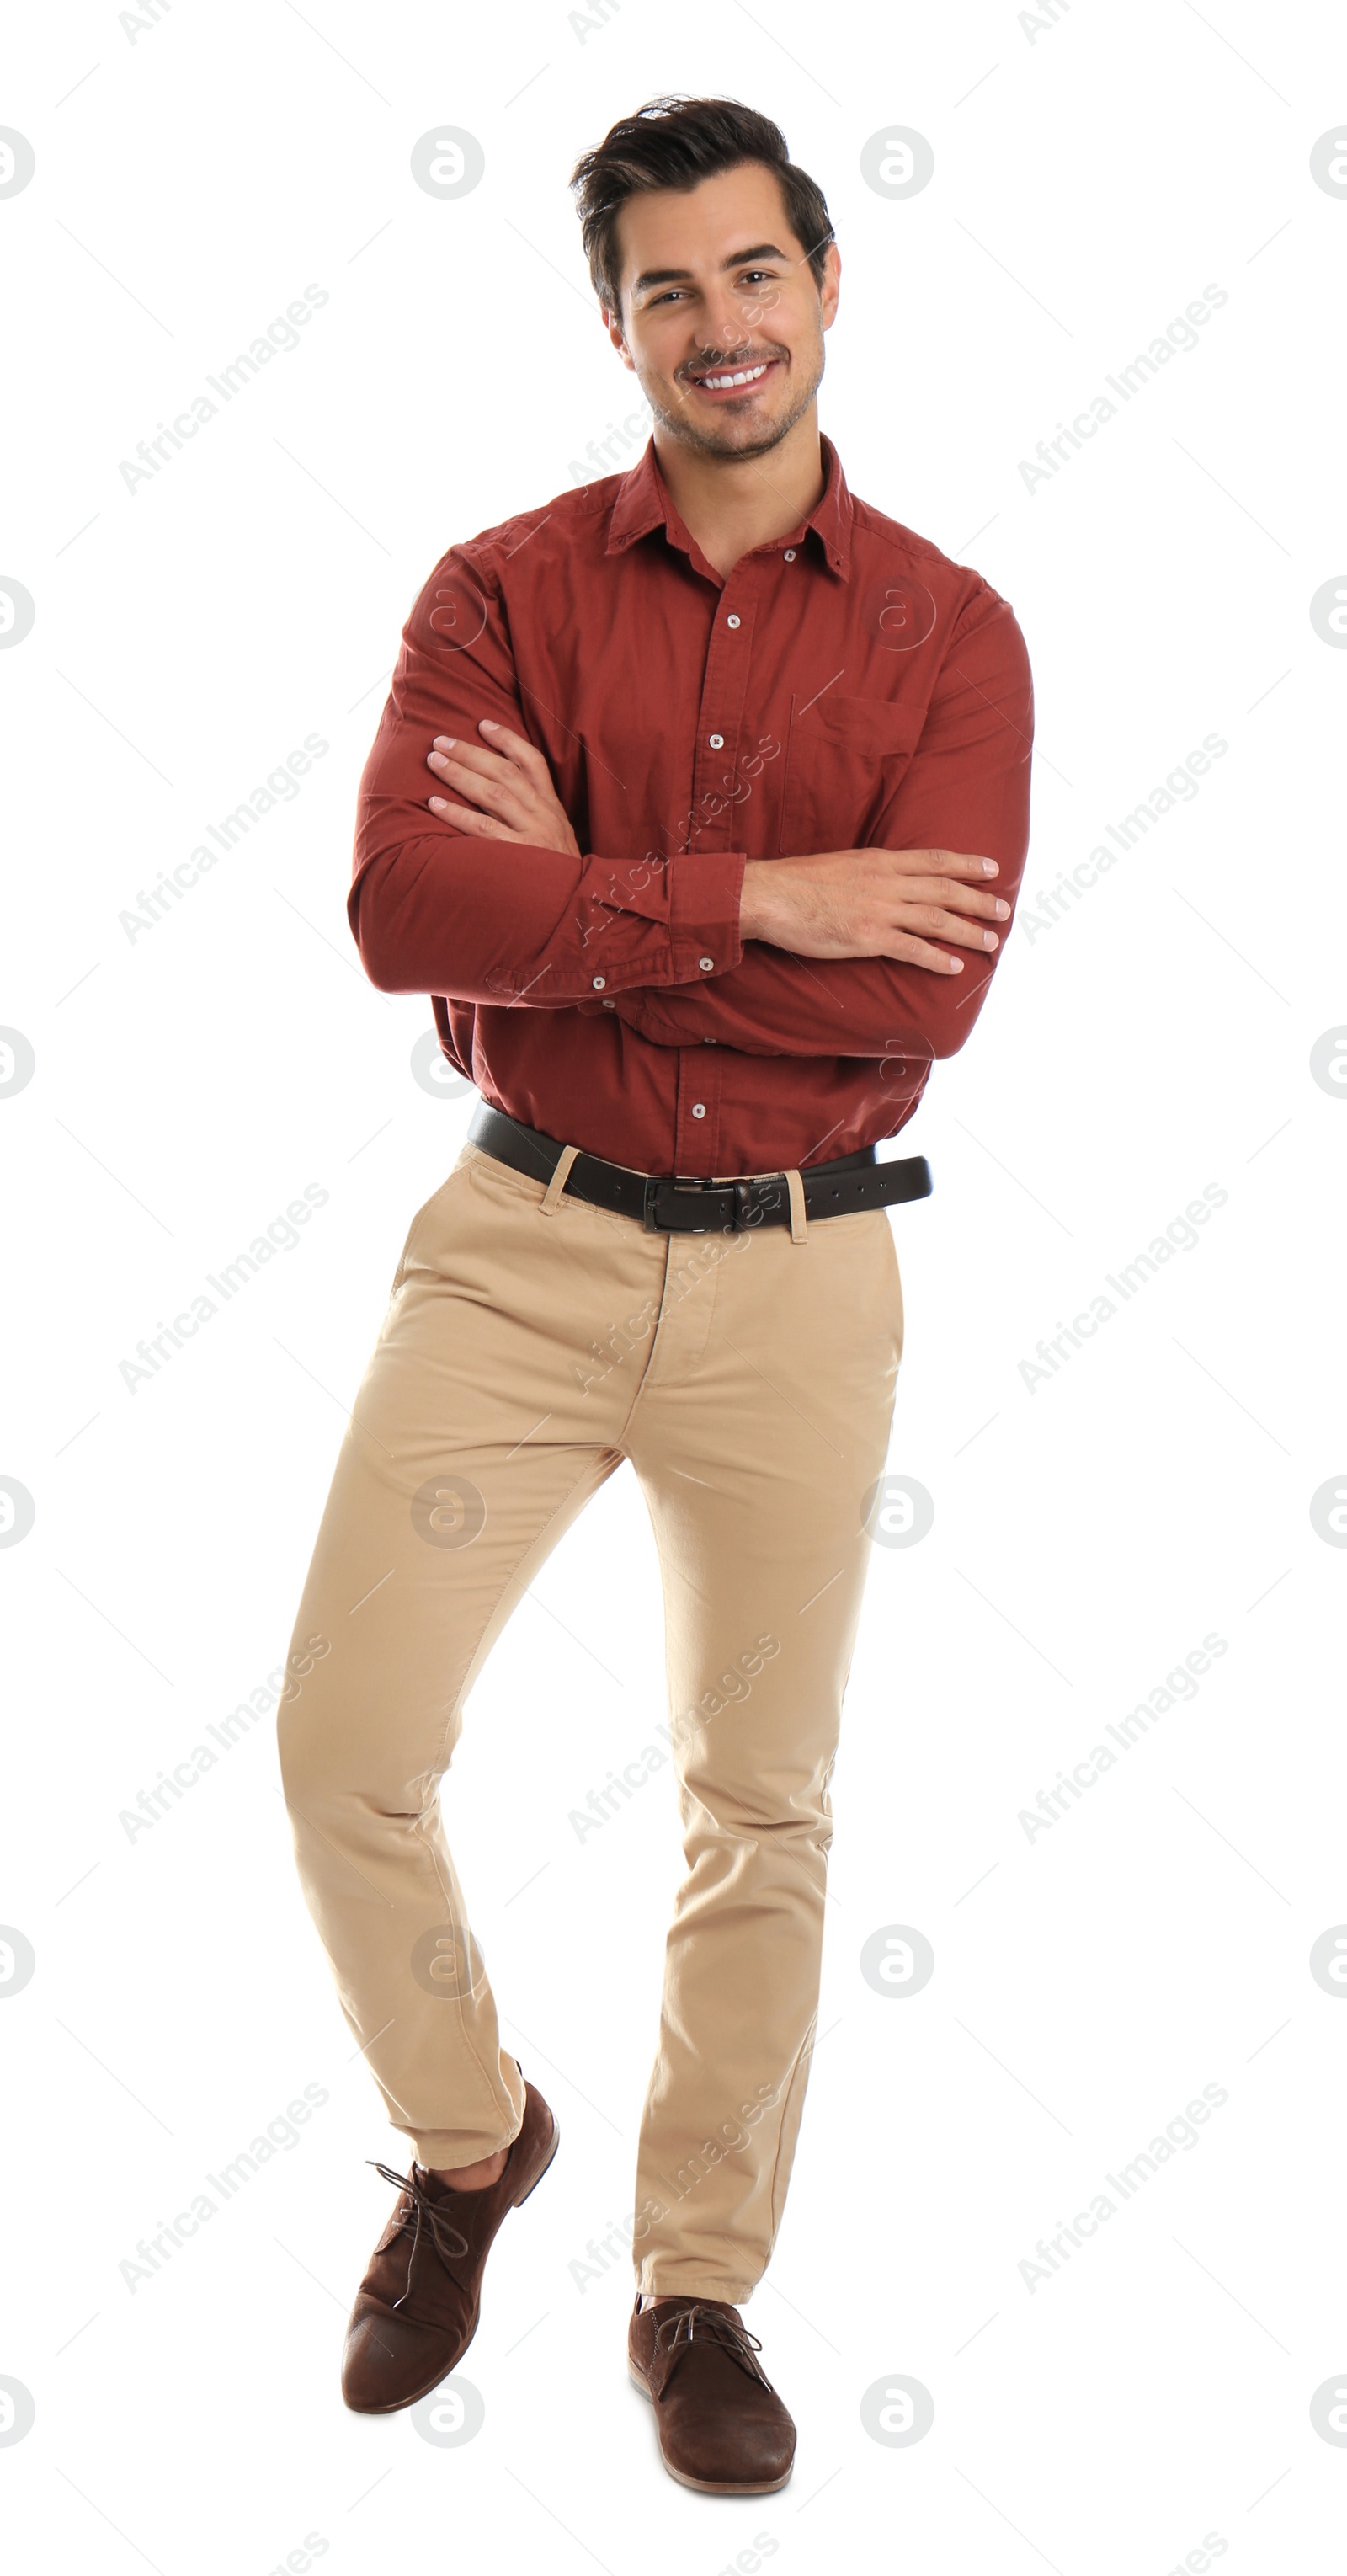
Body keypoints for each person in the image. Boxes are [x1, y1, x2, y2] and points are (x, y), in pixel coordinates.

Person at [276, 93, 1032, 2493]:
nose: (721, 327)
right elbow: (407, 914)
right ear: (613, 323)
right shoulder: (496, 591)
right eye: (668, 289)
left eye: (754, 273)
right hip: (518, 1242)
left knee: (757, 1798)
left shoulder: (952, 634)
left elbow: (909, 1014)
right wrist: (764, 896)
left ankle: (693, 2279)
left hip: (807, 1274)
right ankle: (468, 2134)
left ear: (829, 285)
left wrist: (595, 889)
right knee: (339, 1746)